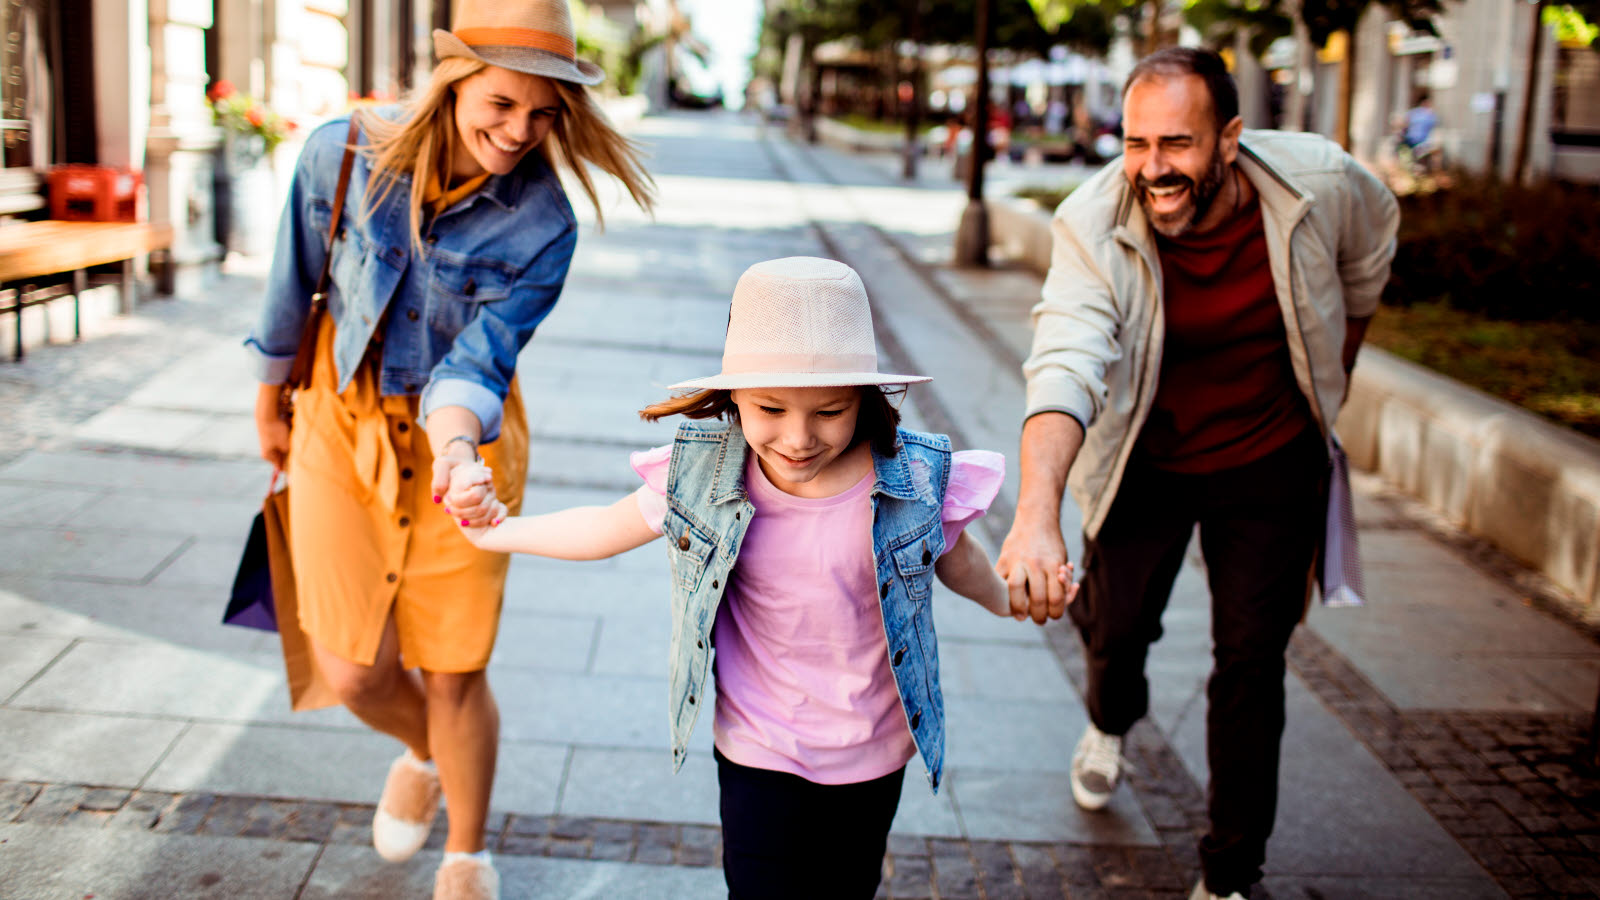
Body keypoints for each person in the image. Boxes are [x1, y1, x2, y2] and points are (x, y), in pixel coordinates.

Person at [444, 257, 1068, 899]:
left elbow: (956, 562)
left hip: (874, 748)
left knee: (845, 890)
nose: (798, 438)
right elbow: (601, 531)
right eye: (770, 408)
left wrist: (1011, 600)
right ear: (733, 395)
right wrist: (496, 529)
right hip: (757, 743)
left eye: (828, 411)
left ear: (862, 399)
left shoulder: (912, 482)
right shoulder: (702, 476)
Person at [244, 1, 654, 897]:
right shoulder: (341, 152)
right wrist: (269, 396)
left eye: (546, 113)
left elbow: (481, 359)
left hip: (461, 443)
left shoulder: (545, 221)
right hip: (336, 421)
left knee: (454, 667)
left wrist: (461, 455)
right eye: (504, 104)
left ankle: (467, 852)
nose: (521, 131)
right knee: (353, 669)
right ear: (456, 77)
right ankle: (426, 751)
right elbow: (290, 282)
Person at [995, 48, 1397, 900]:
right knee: (1116, 631)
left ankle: (1230, 874)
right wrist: (1037, 513)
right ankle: (1109, 720)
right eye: (1136, 143)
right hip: (1147, 457)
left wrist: (1336, 381)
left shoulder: (1319, 183)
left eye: (1176, 144)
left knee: (1252, 660)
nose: (1151, 168)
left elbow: (1370, 258)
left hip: (1269, 460)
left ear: (1230, 140)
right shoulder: (1093, 219)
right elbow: (1065, 360)